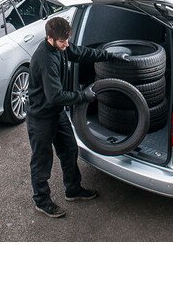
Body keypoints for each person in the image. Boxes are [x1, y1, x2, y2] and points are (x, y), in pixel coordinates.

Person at [26, 16, 128, 218]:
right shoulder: (46, 59)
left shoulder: (62, 47)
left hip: (56, 113)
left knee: (70, 149)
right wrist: (83, 96)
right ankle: (42, 201)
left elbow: (81, 53)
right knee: (41, 161)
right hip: (41, 118)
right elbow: (55, 96)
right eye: (62, 42)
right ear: (50, 38)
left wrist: (108, 56)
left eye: (67, 41)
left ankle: (73, 189)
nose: (66, 46)